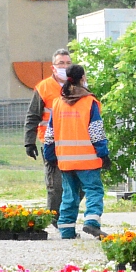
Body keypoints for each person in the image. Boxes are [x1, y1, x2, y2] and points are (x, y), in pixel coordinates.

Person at [42, 64, 110, 240]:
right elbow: (96, 131)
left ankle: (66, 230)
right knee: (94, 190)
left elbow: (50, 134)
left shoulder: (57, 103)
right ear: (82, 78)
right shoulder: (89, 102)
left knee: (69, 195)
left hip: (65, 160)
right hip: (88, 159)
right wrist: (103, 153)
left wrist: (50, 156)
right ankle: (92, 222)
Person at [23, 48, 73, 220]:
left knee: (79, 185)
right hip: (51, 143)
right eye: (61, 63)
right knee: (56, 185)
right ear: (53, 67)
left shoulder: (78, 86)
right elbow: (33, 116)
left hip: (76, 143)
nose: (65, 67)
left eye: (68, 63)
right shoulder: (44, 88)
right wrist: (29, 142)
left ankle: (66, 216)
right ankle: (54, 218)